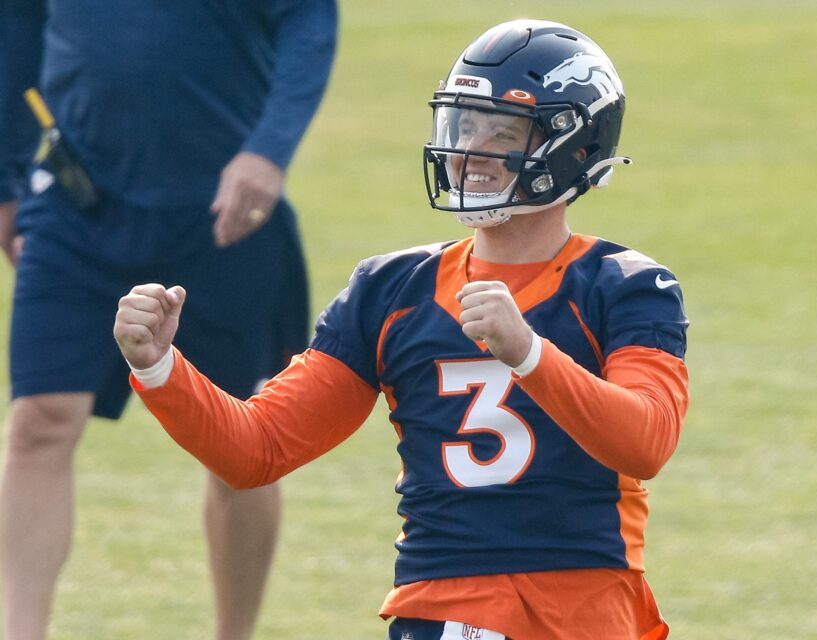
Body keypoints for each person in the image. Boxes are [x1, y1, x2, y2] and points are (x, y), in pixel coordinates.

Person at [115, 19, 688, 640]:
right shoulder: (393, 289)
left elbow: (646, 442)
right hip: (444, 603)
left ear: (576, 149)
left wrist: (528, 354)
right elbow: (257, 449)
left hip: (585, 605)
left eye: (502, 133)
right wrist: (160, 368)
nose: (470, 153)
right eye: (465, 127)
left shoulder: (625, 285)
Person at [0, 1, 338, 638]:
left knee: (240, 441)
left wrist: (269, 152)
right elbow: (15, 24)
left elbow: (308, 20)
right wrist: (4, 178)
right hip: (76, 204)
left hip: (222, 212)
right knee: (38, 421)